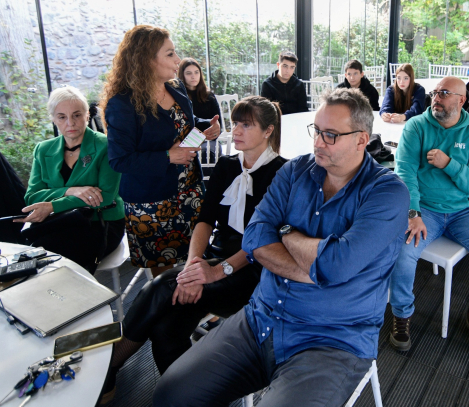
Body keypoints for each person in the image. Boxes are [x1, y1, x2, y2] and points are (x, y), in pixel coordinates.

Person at [152, 88, 410, 407]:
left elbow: (337, 266)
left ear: (361, 139)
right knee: (171, 395)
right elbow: (255, 238)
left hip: (331, 339)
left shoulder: (386, 194)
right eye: (316, 131)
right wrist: (312, 263)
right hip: (261, 318)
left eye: (330, 135)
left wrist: (284, 232)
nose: (317, 142)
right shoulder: (294, 171)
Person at [100, 97, 285, 403]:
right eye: (235, 122)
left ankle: (113, 361)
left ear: (268, 131)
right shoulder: (227, 165)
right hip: (215, 258)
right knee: (165, 328)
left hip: (254, 271)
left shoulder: (283, 172)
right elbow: (204, 220)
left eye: (246, 124)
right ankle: (193, 398)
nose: (235, 130)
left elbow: (264, 241)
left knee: (162, 286)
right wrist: (193, 265)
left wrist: (214, 272)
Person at [388, 76, 469, 354]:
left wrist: (450, 165)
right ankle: (401, 313)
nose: (437, 98)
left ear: (461, 100)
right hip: (425, 211)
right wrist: (413, 212)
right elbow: (405, 172)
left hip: (465, 211)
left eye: (444, 93)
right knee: (402, 255)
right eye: (434, 93)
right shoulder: (416, 126)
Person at [101, 25, 221, 276]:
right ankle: (172, 312)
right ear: (146, 59)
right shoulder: (122, 104)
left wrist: (205, 127)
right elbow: (120, 160)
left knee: (194, 258)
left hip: (190, 190)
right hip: (152, 202)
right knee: (165, 274)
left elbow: (181, 125)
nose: (177, 60)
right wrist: (168, 156)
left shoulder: (175, 88)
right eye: (170, 54)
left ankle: (198, 308)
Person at [19, 86, 125, 273]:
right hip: (58, 222)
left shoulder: (107, 146)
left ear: (87, 116)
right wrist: (71, 191)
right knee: (32, 258)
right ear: (53, 119)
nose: (70, 123)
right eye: (62, 117)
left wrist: (52, 205)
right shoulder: (43, 149)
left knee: (52, 260)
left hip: (100, 222)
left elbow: (105, 197)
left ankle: (82, 300)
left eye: (77, 115)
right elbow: (32, 197)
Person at [179, 58, 222, 168]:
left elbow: (218, 124)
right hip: (185, 139)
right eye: (189, 73)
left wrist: (212, 131)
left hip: (208, 139)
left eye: (196, 72)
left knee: (207, 151)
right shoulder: (178, 96)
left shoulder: (209, 96)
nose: (193, 76)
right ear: (182, 75)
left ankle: (208, 184)